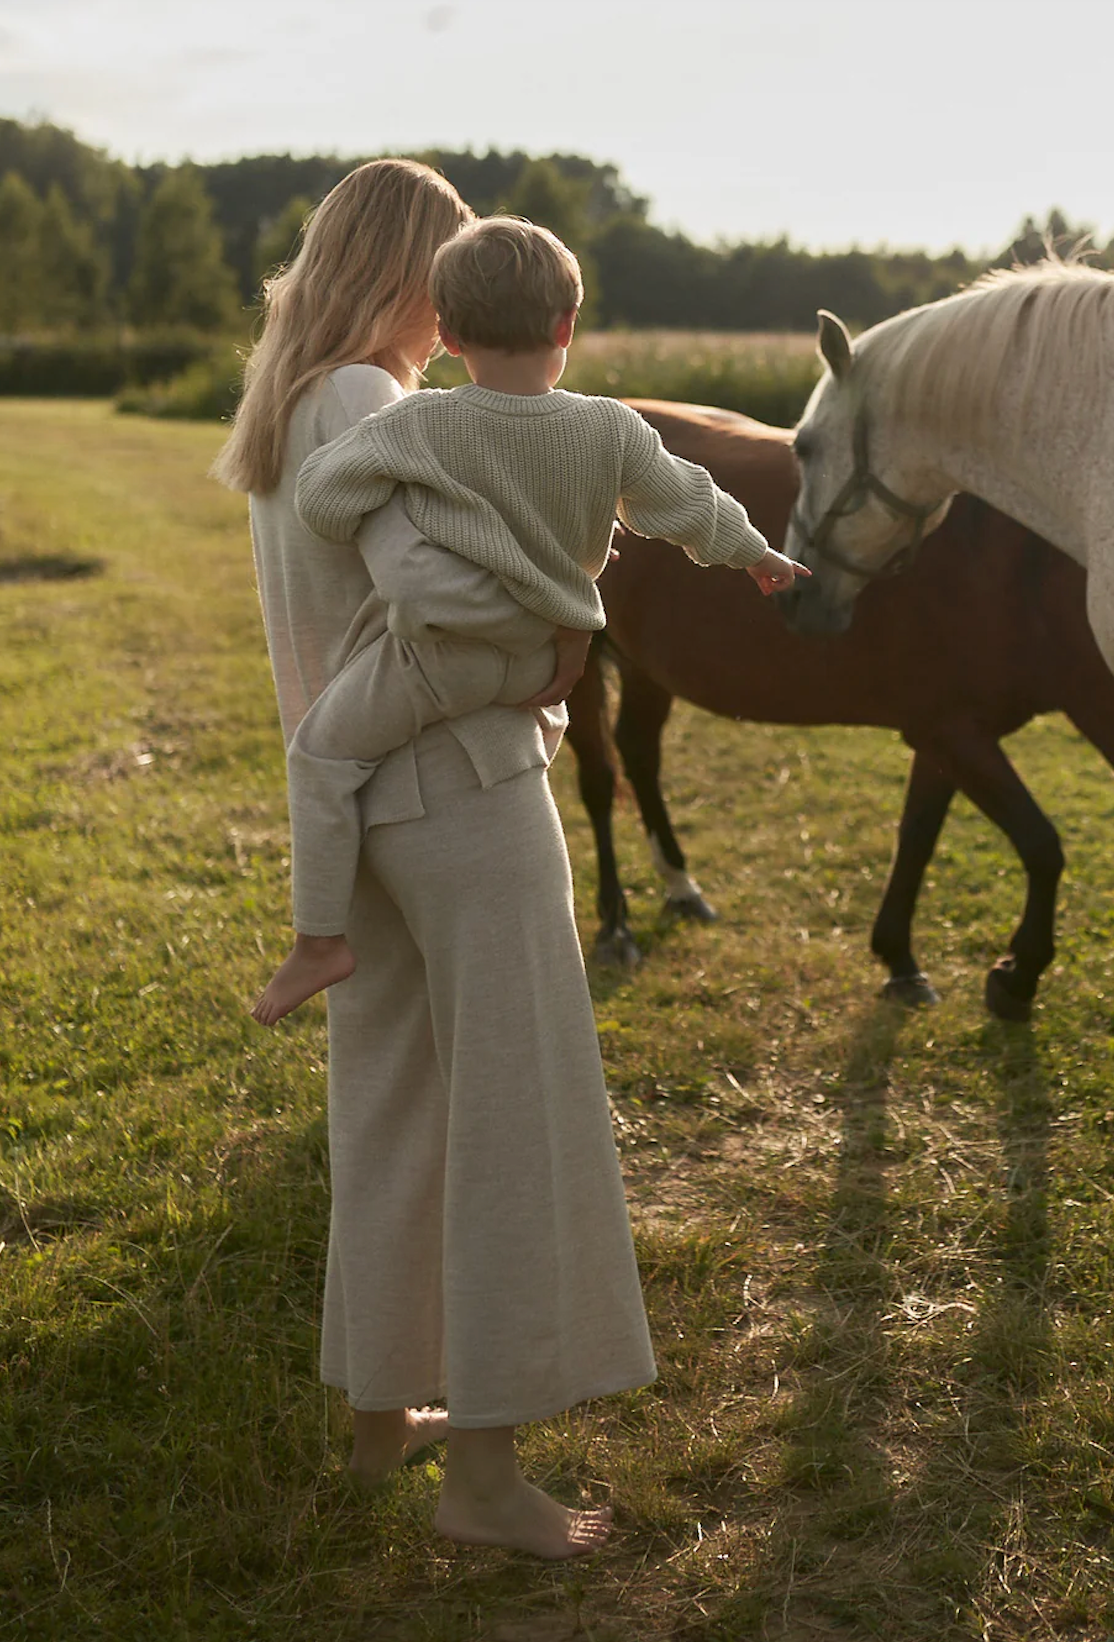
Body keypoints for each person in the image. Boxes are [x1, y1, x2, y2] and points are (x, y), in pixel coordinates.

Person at [211, 158, 659, 1558]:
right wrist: (555, 627)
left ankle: (379, 1418)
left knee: (393, 1102)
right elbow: (431, 592)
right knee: (511, 1117)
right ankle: (484, 1480)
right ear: (411, 271)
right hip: (458, 791)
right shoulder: (376, 402)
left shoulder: (293, 401)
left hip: (364, 812)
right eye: (447, 264)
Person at [252, 216, 807, 1027]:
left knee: (324, 753)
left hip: (445, 661)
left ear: (444, 331)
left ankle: (321, 940)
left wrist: (410, 508)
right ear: (566, 327)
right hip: (549, 665)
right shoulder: (610, 426)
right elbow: (687, 500)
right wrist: (758, 554)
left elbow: (322, 498)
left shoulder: (421, 424)